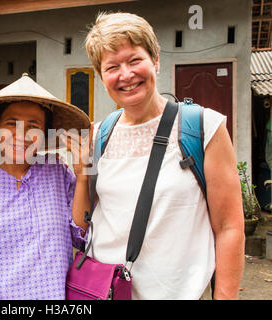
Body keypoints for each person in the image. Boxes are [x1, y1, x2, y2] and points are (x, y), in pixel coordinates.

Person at [76, 12, 245, 299]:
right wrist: (81, 173)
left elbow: (229, 227)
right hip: (106, 291)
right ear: (101, 76)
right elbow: (84, 223)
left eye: (134, 60)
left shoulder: (203, 127)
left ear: (155, 60)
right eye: (112, 66)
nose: (126, 75)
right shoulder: (98, 135)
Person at [0, 74, 90, 299]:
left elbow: (80, 236)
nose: (22, 134)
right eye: (11, 123)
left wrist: (83, 175)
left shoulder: (57, 171)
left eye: (33, 126)